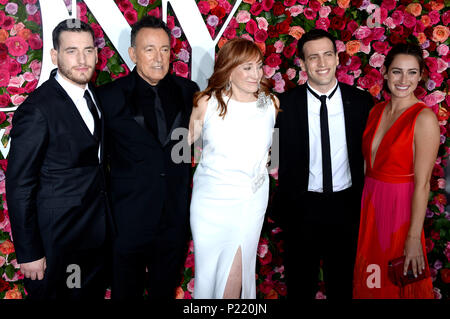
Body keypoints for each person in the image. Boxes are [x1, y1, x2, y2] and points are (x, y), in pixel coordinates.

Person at [5, 19, 113, 299]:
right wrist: (29, 253)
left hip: (95, 237)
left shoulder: (95, 97)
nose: (82, 59)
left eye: (88, 50)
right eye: (71, 51)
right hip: (57, 244)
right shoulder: (37, 110)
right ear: (54, 56)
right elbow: (20, 186)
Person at [96, 16, 199, 299]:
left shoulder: (188, 91)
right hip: (127, 222)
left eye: (165, 49)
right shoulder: (108, 97)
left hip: (173, 221)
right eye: (149, 49)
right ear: (133, 54)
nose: (158, 58)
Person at [274, 29, 374, 300]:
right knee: (299, 286)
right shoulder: (283, 106)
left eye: (328, 54)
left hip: (347, 207)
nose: (322, 63)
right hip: (301, 209)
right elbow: (273, 156)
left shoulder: (362, 102)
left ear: (337, 59)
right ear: (303, 64)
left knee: (343, 286)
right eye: (313, 57)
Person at [189, 38, 279, 299]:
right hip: (210, 202)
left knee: (236, 270)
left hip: (249, 200)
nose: (257, 74)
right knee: (208, 272)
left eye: (259, 66)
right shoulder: (206, 103)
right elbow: (183, 151)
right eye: (247, 67)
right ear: (229, 68)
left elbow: (273, 154)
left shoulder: (269, 103)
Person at [353, 43, 439, 299]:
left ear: (421, 75)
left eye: (412, 72)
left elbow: (423, 184)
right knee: (371, 277)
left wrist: (413, 237)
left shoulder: (424, 118)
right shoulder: (376, 111)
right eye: (397, 71)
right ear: (386, 73)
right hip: (371, 206)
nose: (404, 80)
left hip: (400, 211)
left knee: (394, 282)